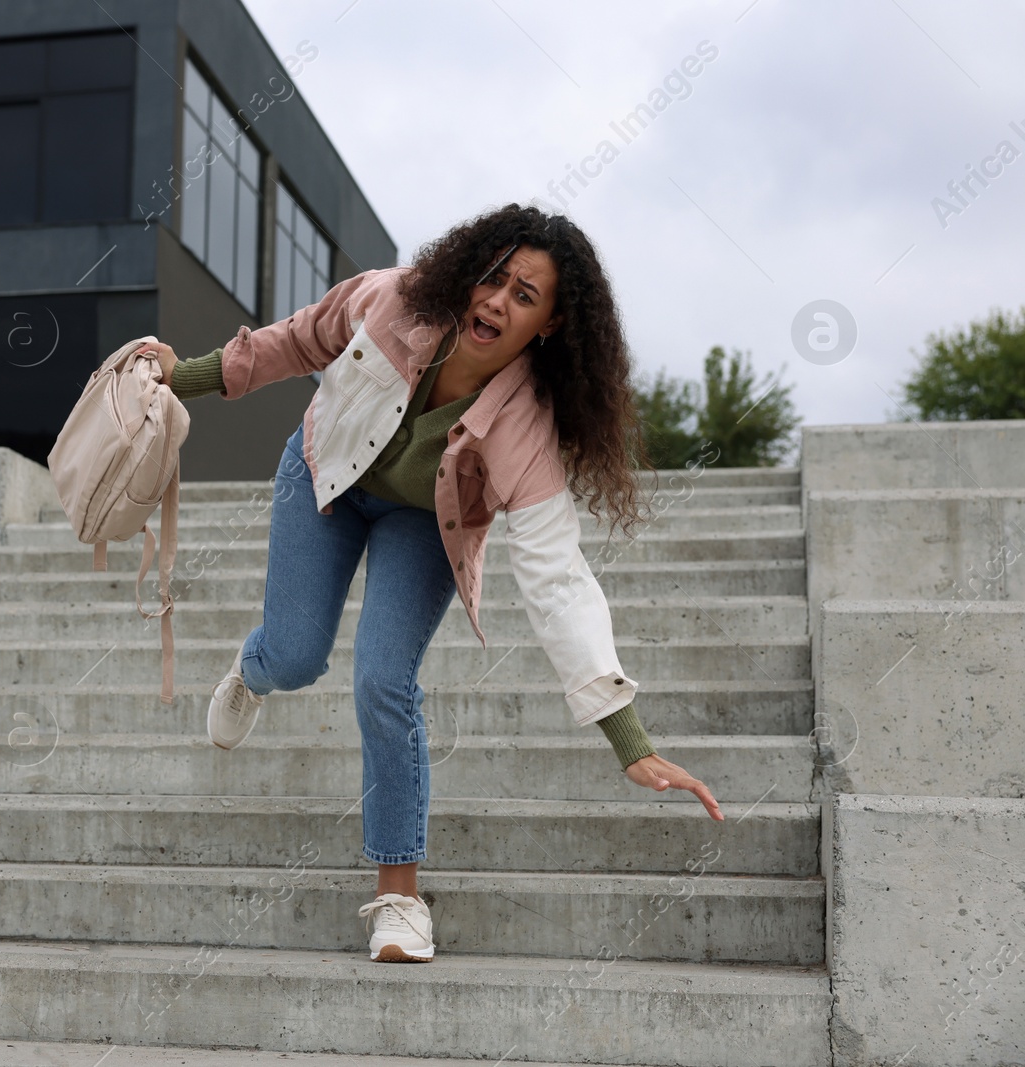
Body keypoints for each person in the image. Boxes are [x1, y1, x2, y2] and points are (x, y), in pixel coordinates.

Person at [137, 202, 723, 964]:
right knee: (294, 654)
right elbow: (297, 340)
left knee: (383, 679)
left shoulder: (528, 424)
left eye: (524, 296)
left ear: (547, 325)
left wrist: (627, 737)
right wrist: (177, 378)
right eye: (493, 279)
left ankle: (400, 898)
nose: (495, 302)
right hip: (325, 476)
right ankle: (252, 672)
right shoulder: (394, 300)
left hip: (423, 522)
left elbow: (557, 578)